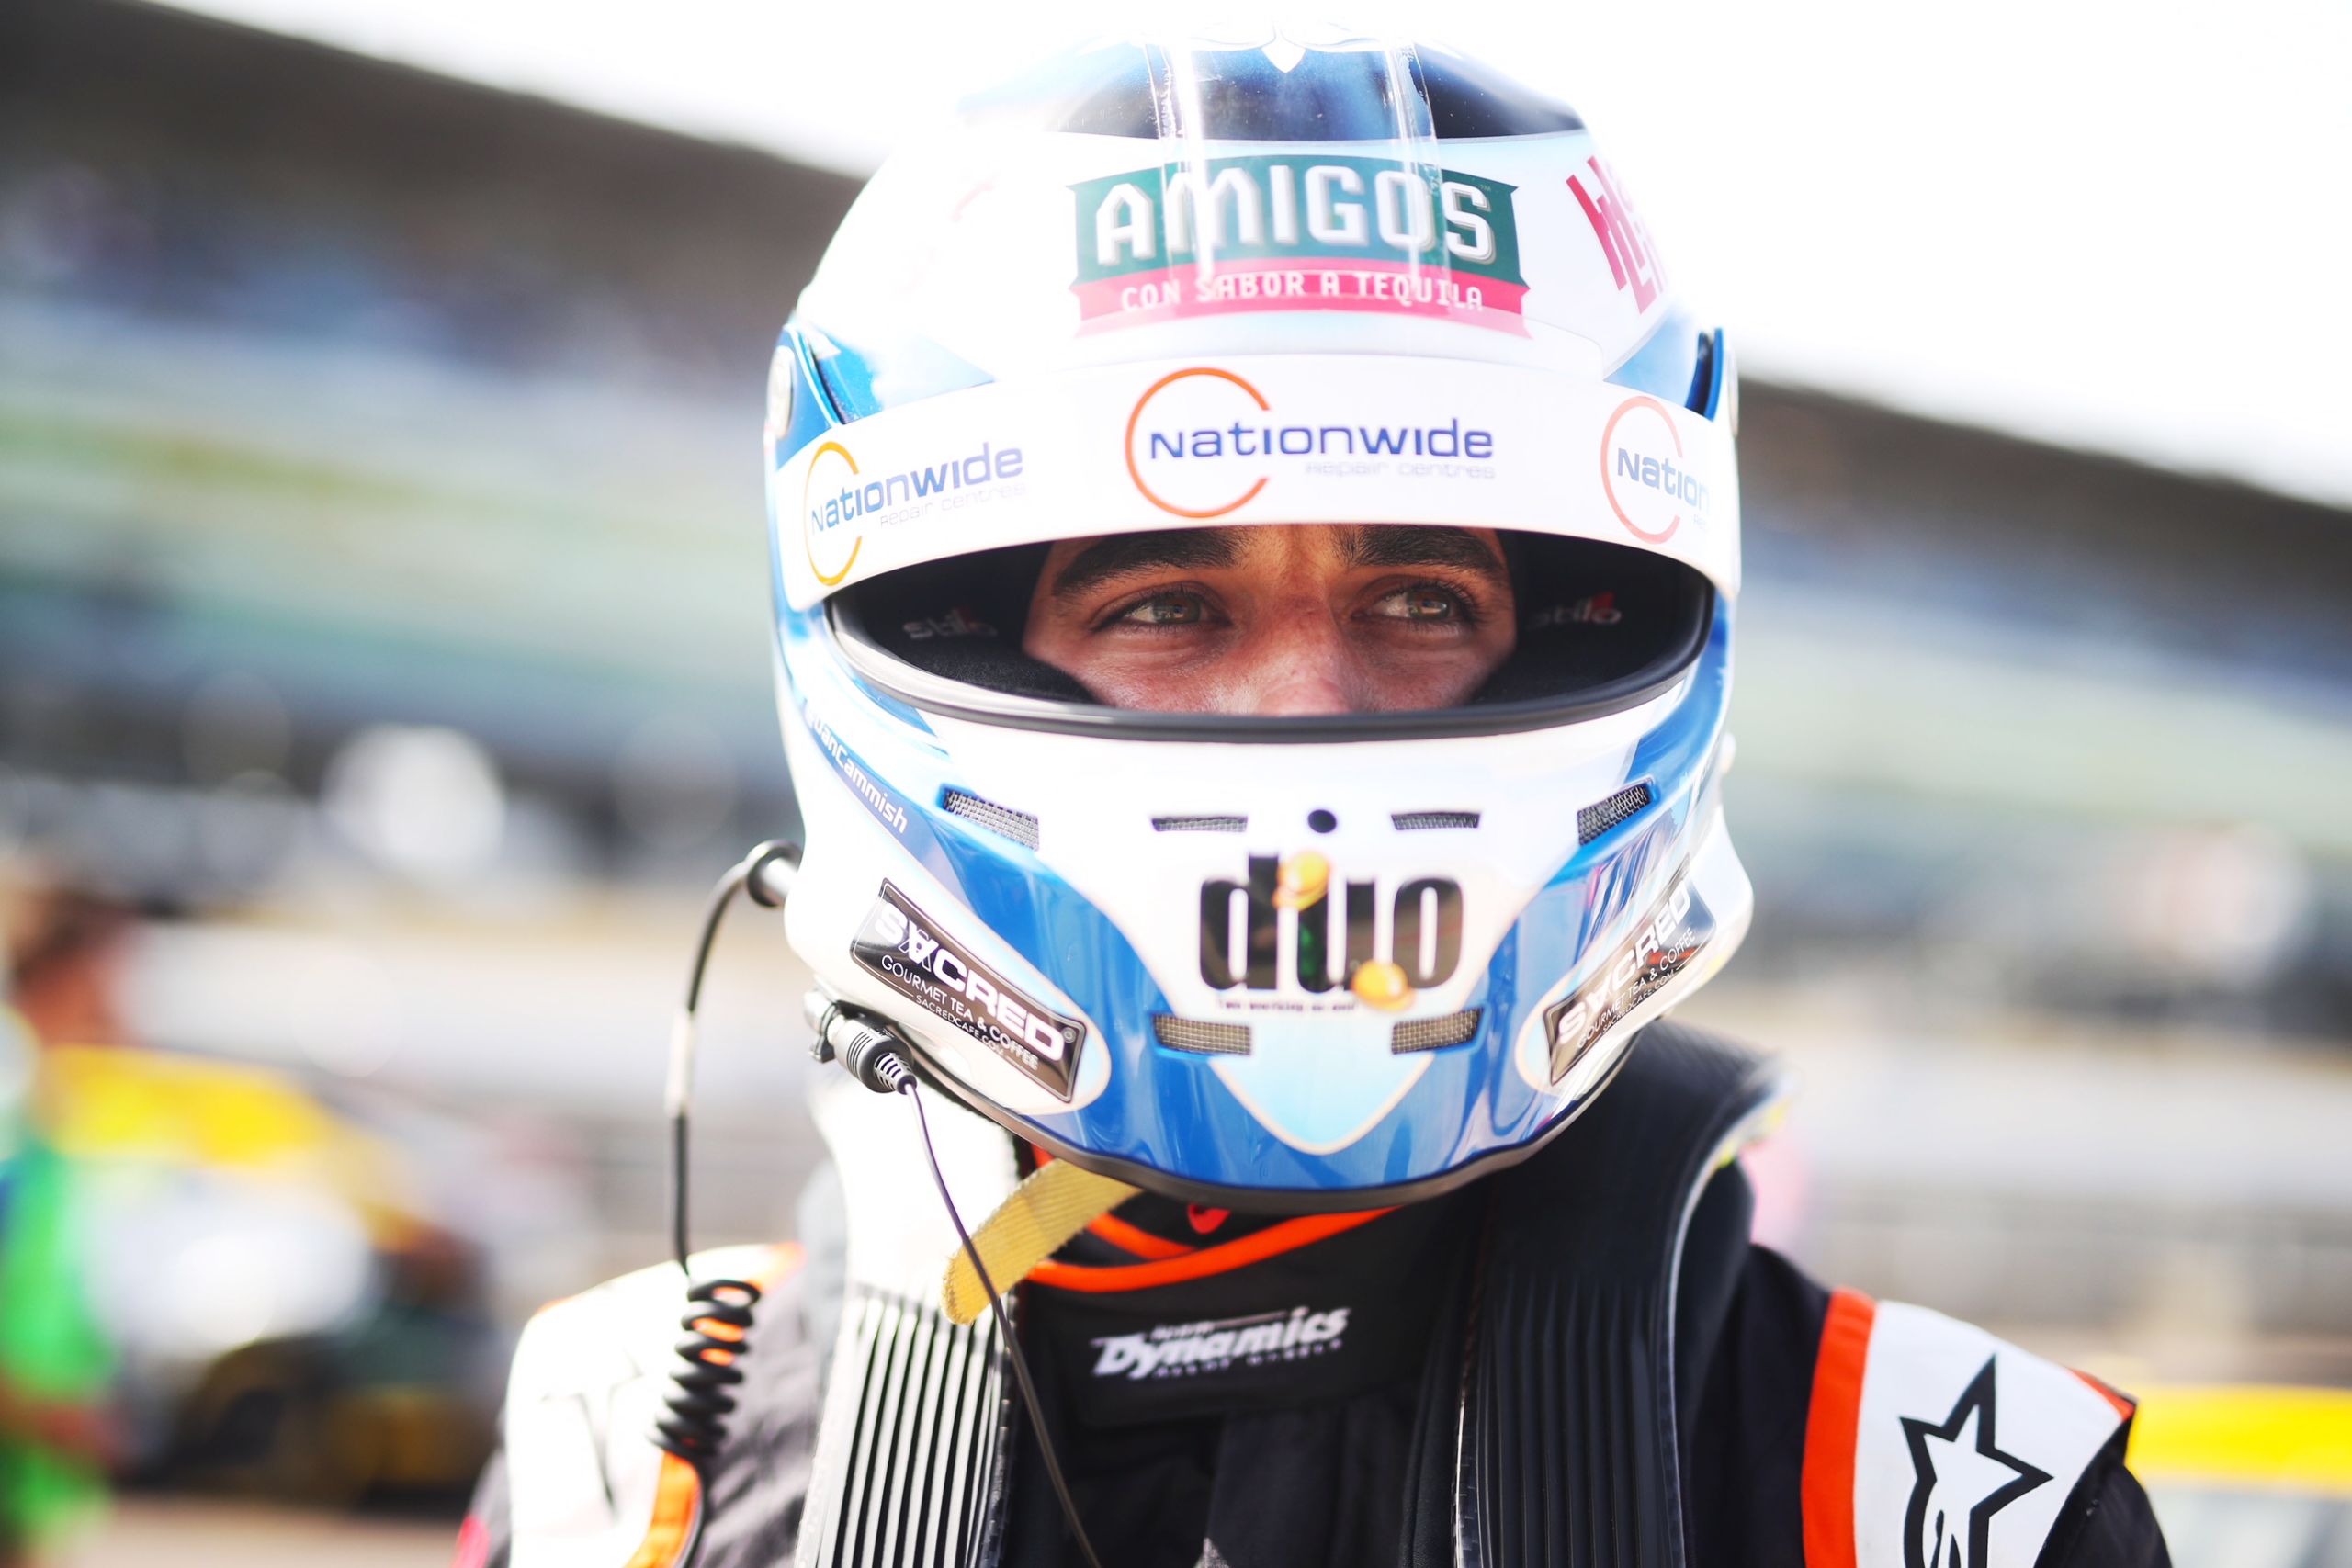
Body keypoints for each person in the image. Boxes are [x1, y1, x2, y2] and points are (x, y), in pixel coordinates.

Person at [460, 27, 2170, 1568]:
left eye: (1419, 601)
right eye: (1165, 607)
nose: (1310, 708)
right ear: (946, 635)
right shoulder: (616, 1478)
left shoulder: (1950, 1502)